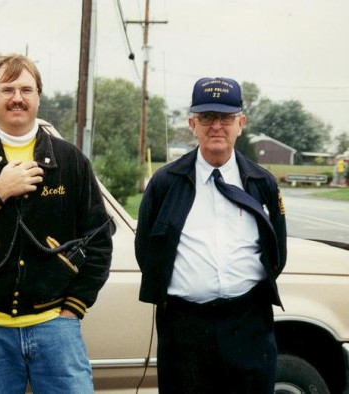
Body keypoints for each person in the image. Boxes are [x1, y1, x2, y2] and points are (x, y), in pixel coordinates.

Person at [0, 54, 113, 394]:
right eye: (7, 89)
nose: (17, 98)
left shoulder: (69, 161)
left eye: (26, 89)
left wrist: (73, 308)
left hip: (56, 325)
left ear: (38, 97)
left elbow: (99, 239)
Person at [135, 77, 287, 393]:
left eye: (226, 117)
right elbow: (146, 250)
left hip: (248, 326)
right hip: (184, 331)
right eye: (207, 117)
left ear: (241, 123)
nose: (216, 126)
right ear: (192, 123)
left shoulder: (263, 183)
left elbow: (277, 252)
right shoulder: (165, 183)